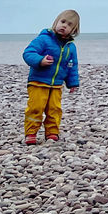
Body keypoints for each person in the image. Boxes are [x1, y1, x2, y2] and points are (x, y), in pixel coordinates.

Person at [22, 9, 81, 144]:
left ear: (74, 30)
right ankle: (31, 133)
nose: (64, 26)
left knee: (54, 109)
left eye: (69, 25)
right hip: (38, 82)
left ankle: (52, 132)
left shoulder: (70, 47)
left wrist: (72, 83)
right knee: (36, 107)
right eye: (62, 22)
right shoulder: (43, 39)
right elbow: (28, 53)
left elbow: (72, 66)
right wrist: (40, 60)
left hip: (56, 85)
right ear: (56, 22)